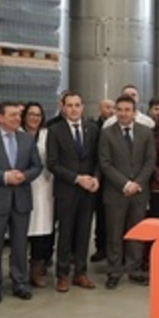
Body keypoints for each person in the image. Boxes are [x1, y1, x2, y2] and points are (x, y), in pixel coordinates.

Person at [0, 101, 43, 303]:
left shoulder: (26, 140)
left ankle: (20, 282)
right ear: (0, 117)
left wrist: (24, 175)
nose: (17, 119)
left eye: (18, 115)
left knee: (20, 245)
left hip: (21, 199)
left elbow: (36, 166)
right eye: (12, 115)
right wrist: (4, 176)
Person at [98, 94, 155, 288]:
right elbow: (105, 163)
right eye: (119, 110)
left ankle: (134, 269)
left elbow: (150, 161)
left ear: (134, 112)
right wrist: (124, 184)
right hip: (116, 192)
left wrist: (137, 183)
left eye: (127, 110)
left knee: (136, 232)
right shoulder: (107, 133)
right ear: (115, 111)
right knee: (114, 234)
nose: (123, 113)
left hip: (139, 192)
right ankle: (114, 271)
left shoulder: (146, 132)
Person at [46, 91, 101, 292]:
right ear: (63, 107)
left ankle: (81, 272)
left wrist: (95, 178)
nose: (74, 109)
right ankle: (62, 275)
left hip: (88, 192)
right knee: (66, 234)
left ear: (82, 107)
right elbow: (52, 163)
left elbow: (98, 159)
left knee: (84, 233)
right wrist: (78, 179)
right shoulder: (55, 130)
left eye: (77, 105)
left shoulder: (92, 129)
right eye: (69, 105)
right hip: (67, 190)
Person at [23, 102, 55, 289]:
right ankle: (18, 269)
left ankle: (37, 269)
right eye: (31, 114)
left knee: (41, 229)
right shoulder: (17, 135)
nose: (34, 118)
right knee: (20, 231)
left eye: (38, 115)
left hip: (44, 187)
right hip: (22, 186)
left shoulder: (47, 135)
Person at [91, 97, 115, 261]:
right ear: (100, 109)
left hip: (116, 179)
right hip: (99, 178)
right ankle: (101, 248)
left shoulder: (117, 127)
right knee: (101, 216)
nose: (111, 110)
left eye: (113, 107)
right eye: (107, 107)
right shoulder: (94, 128)